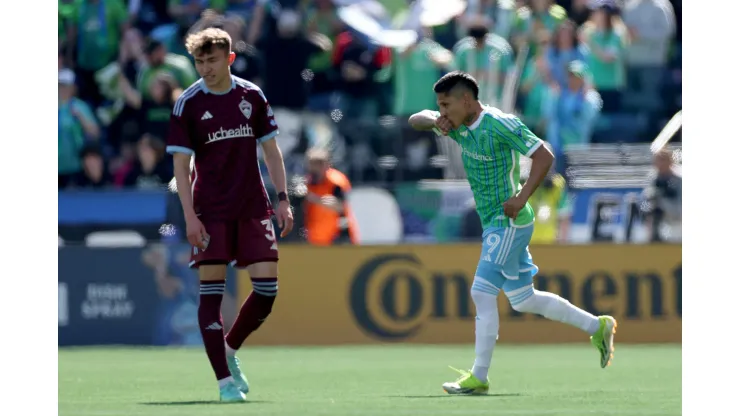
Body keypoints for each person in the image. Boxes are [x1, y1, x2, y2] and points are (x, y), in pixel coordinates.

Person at [408, 71, 616, 395]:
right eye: (440, 106)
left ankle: (479, 376)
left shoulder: (499, 123)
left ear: (466, 100)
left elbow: (544, 154)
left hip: (510, 219)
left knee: (481, 291)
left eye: (446, 105)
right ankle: (597, 326)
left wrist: (521, 197)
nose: (443, 111)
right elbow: (414, 119)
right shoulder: (457, 126)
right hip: (494, 222)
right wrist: (437, 120)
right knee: (524, 300)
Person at [166, 27, 294, 403]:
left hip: (253, 205)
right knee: (212, 292)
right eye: (199, 61)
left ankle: (230, 349)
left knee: (267, 291)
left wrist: (283, 199)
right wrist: (189, 216)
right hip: (211, 210)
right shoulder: (187, 103)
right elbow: (180, 167)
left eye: (212, 60)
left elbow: (272, 152)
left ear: (229, 59)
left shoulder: (251, 96)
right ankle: (224, 383)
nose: (205, 68)